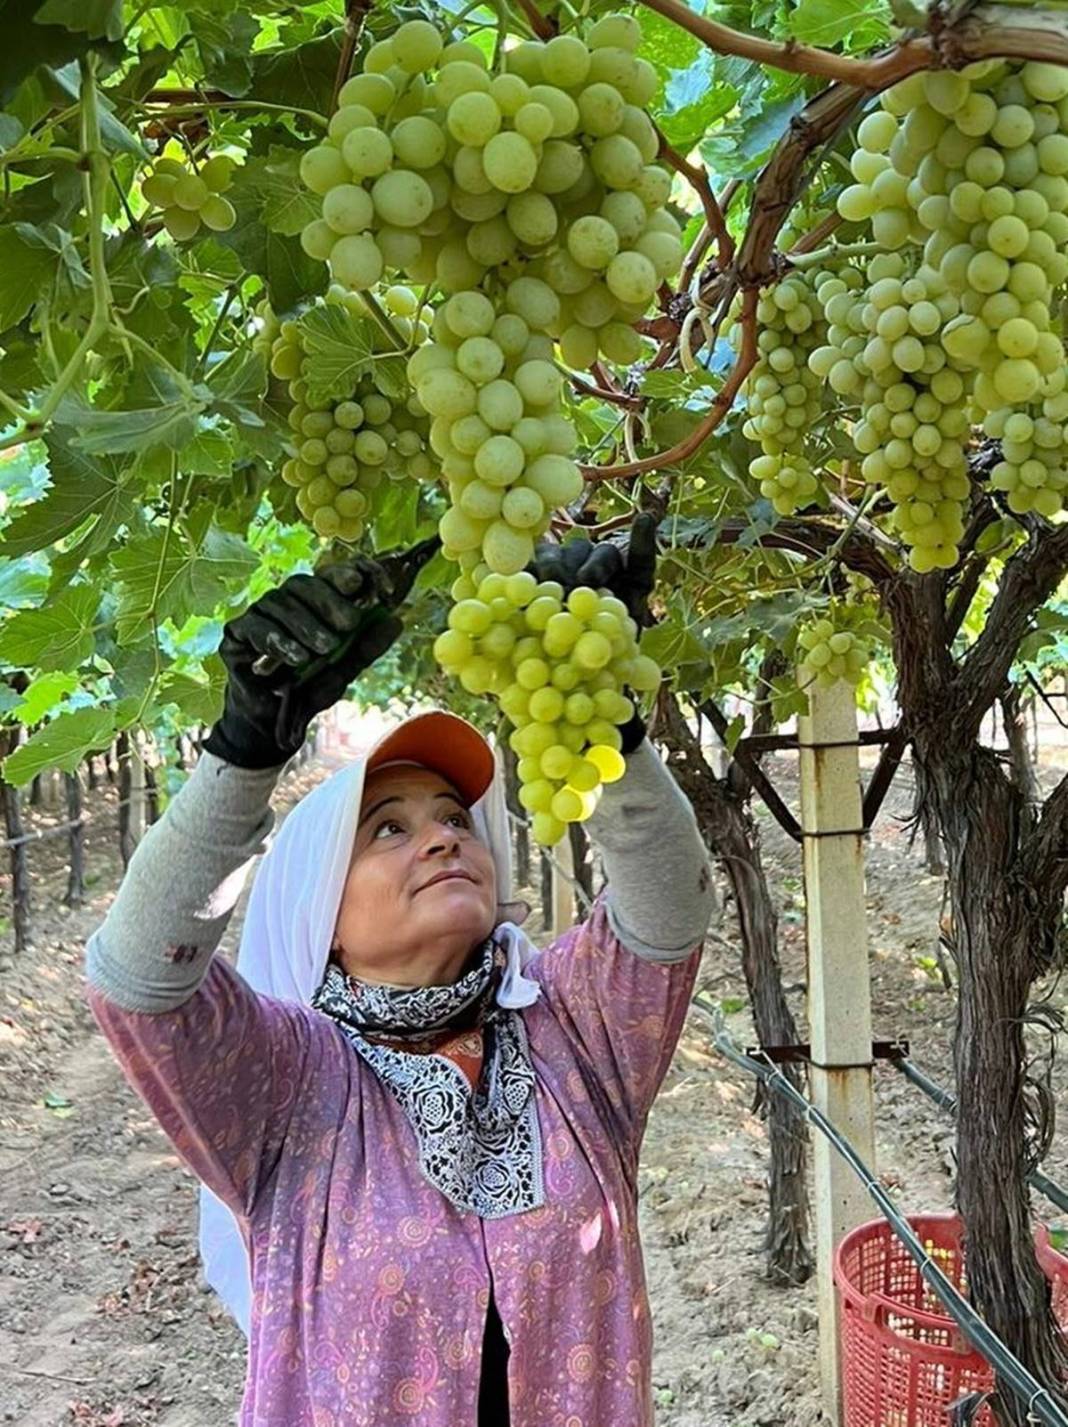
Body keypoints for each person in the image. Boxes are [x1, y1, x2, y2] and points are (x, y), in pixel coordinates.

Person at [84, 527, 716, 1427]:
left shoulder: (570, 1035)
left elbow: (670, 911)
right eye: (388, 828)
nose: (442, 838)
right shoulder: (292, 1083)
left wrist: (608, 722)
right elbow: (139, 978)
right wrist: (242, 755)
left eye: (455, 817)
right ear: (320, 913)